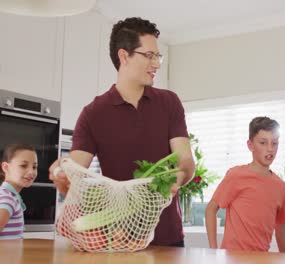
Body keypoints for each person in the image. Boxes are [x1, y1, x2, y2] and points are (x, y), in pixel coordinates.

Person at [48, 17, 195, 247]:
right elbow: (75, 167)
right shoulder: (93, 113)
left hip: (167, 237)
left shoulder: (169, 103)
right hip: (116, 238)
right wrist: (62, 171)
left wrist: (180, 175)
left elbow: (185, 160)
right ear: (124, 56)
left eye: (158, 56)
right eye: (149, 55)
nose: (156, 64)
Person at [205, 117, 285, 252]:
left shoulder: (280, 186)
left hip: (261, 259)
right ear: (250, 145)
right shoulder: (236, 175)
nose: (270, 149)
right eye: (263, 143)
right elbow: (211, 209)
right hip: (232, 259)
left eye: (274, 143)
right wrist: (213, 250)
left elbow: (281, 230)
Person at [0, 143, 37, 240]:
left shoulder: (7, 195)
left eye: (34, 167)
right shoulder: (7, 198)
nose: (31, 172)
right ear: (6, 167)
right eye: (23, 166)